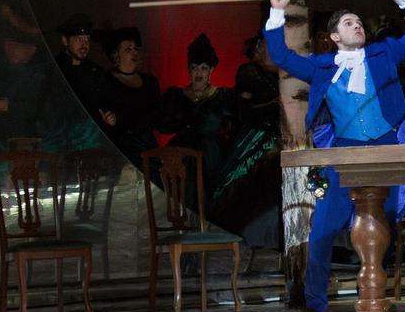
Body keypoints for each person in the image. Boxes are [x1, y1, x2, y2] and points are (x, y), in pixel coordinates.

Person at [265, 0, 405, 312]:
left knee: (384, 225)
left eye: (359, 22)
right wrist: (277, 10)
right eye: (348, 23)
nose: (357, 25)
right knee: (323, 231)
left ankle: (373, 296)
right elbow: (280, 56)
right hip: (344, 154)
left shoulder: (383, 53)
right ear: (334, 36)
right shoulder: (322, 66)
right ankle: (315, 304)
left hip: (385, 148)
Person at [210, 33, 282, 249]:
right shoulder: (249, 71)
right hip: (257, 135)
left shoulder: (284, 71)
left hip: (281, 135)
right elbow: (245, 110)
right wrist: (276, 103)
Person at [158, 33, 234, 201]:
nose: (198, 73)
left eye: (204, 68)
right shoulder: (176, 96)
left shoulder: (222, 96)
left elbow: (232, 129)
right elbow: (162, 125)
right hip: (181, 158)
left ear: (211, 70)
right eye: (194, 68)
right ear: (189, 70)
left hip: (211, 158)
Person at [97, 26, 160, 168]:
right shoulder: (106, 81)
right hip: (122, 151)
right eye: (128, 49)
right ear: (116, 55)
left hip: (148, 148)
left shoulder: (150, 82)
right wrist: (110, 120)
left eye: (135, 49)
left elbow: (157, 115)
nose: (134, 53)